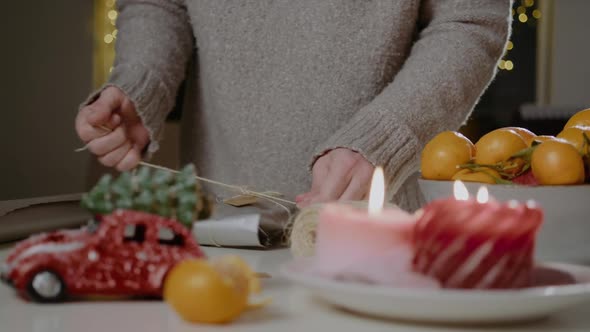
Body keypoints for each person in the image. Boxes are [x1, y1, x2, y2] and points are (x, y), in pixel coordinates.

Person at [75, 0, 511, 212]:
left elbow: (469, 20)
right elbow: (157, 2)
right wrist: (143, 80)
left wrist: (384, 137)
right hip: (220, 229)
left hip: (382, 227)